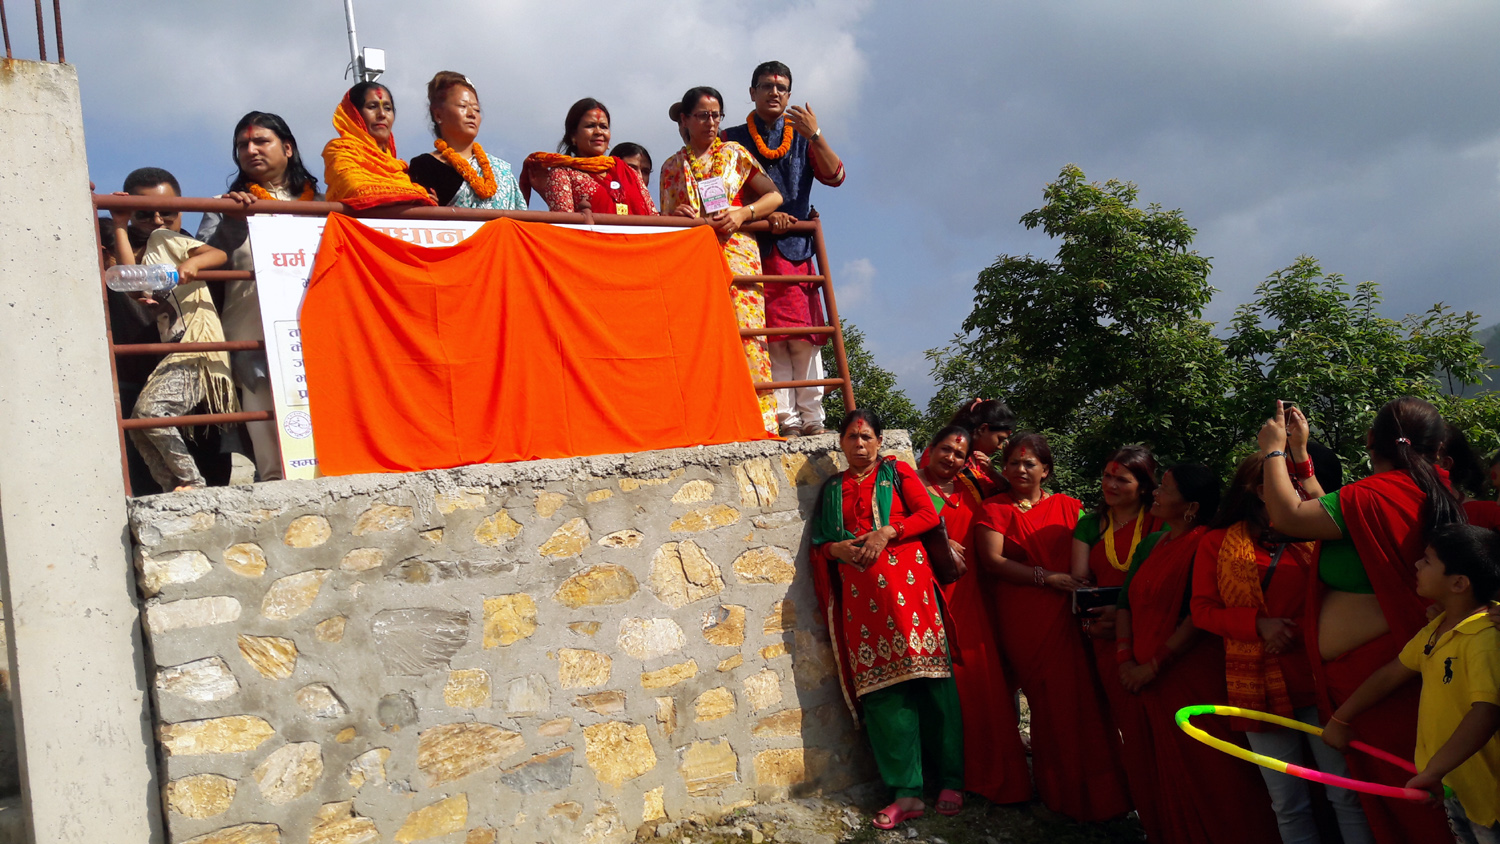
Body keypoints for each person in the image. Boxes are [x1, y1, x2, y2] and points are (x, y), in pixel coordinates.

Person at [1259, 397, 1459, 843]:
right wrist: (1299, 456)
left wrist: (1272, 450)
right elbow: (1335, 512)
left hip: (1384, 678)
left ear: (1371, 442)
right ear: (1437, 445)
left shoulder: (1378, 494)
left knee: (1410, 801)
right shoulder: (1422, 489)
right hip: (1379, 674)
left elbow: (1288, 516)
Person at [1192, 454, 1375, 844]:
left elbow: (1341, 595)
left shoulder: (1317, 533)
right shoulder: (1217, 541)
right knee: (1287, 802)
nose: (1291, 489)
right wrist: (1259, 626)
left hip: (1318, 676)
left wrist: (1295, 629)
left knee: (1345, 792)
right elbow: (1202, 611)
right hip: (1255, 685)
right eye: (1281, 481)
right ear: (1260, 491)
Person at [810, 410, 962, 829]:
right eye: (851, 438)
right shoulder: (833, 489)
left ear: (880, 441)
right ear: (840, 443)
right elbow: (822, 542)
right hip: (862, 603)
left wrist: (887, 532)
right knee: (883, 694)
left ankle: (951, 779)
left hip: (911, 594)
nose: (859, 446)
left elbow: (929, 517)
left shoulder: (898, 473)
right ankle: (906, 791)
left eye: (866, 438)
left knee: (933, 686)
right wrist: (834, 551)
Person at [1115, 463, 1281, 844]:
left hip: (1189, 675)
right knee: (1163, 773)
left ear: (1191, 506)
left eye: (1165, 489)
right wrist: (1126, 659)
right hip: (1145, 676)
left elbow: (1198, 613)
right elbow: (1127, 602)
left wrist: (1154, 665)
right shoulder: (1156, 543)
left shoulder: (1209, 542)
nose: (1154, 493)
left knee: (1213, 777)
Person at [973, 432, 1131, 822]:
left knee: (1087, 699)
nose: (1021, 469)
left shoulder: (1069, 507)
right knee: (1047, 701)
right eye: (1013, 462)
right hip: (1025, 612)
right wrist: (1046, 578)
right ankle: (1061, 792)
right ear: (1004, 467)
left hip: (1070, 611)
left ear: (1047, 470)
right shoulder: (993, 509)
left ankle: (1105, 796)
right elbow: (993, 562)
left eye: (1030, 463)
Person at [1323, 524, 1500, 844]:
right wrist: (1341, 718)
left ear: (1459, 583)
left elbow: (1485, 713)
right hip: (1454, 785)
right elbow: (1391, 674)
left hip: (1488, 792)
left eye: (1428, 561)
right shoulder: (1437, 628)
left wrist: (1432, 771)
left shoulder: (1484, 638)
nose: (1417, 565)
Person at [197, 111, 324, 482]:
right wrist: (232, 222)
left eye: (260, 141)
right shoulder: (225, 206)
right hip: (253, 342)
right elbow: (202, 265)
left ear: (287, 148)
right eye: (242, 145)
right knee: (271, 452)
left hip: (315, 336)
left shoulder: (322, 203)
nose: (250, 150)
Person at [722, 61, 846, 437]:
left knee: (804, 339)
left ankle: (812, 420)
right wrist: (762, 215)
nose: (774, 92)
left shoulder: (804, 136)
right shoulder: (731, 137)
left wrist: (817, 134)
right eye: (766, 86)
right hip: (749, 247)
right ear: (752, 93)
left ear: (790, 95)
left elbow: (836, 176)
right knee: (767, 339)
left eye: (781, 87)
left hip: (796, 249)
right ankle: (784, 420)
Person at [917, 425, 1033, 806]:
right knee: (942, 691)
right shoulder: (908, 488)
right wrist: (935, 536)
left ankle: (993, 777)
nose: (950, 458)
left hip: (972, 597)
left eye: (959, 455)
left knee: (981, 686)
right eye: (945, 450)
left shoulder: (973, 489)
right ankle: (948, 776)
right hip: (927, 596)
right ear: (931, 449)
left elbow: (1010, 502)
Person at [661, 86, 785, 435]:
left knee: (748, 334)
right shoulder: (671, 167)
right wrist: (676, 216)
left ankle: (763, 422)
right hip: (692, 258)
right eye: (702, 115)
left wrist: (744, 212)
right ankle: (710, 421)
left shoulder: (735, 153)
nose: (710, 122)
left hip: (739, 253)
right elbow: (664, 217)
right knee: (700, 337)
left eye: (716, 115)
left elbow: (774, 195)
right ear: (684, 120)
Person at [108, 168, 233, 492]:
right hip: (170, 357)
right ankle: (172, 487)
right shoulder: (153, 252)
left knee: (149, 415)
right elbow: (131, 278)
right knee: (139, 424)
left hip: (196, 348)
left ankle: (191, 483)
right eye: (145, 213)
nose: (159, 220)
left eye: (168, 212)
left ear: (181, 208)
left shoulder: (169, 240)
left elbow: (218, 253)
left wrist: (193, 264)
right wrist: (119, 223)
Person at [1069, 444, 1165, 839]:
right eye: (1107, 475)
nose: (1109, 484)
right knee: (1130, 729)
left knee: (1160, 730)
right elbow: (1079, 583)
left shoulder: (1160, 521)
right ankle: (1149, 816)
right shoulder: (1091, 525)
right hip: (1105, 639)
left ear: (1143, 487)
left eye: (1121, 479)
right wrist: (1095, 619)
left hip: (1155, 637)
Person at [408, 71, 525, 211]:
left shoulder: (501, 170)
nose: (471, 114)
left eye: (476, 109)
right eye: (463, 106)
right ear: (438, 114)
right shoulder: (424, 166)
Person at [519, 98, 656, 215]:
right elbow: (566, 225)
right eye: (590, 126)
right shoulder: (563, 174)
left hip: (637, 244)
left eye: (604, 127)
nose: (598, 132)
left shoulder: (628, 171)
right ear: (573, 135)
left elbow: (653, 216)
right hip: (591, 244)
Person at [322, 81, 437, 209]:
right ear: (353, 114)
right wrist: (415, 195)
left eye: (388, 108)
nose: (382, 114)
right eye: (372, 107)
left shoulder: (399, 168)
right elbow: (355, 188)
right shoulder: (340, 149)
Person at [941, 398, 1016, 498]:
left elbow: (1010, 494)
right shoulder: (942, 457)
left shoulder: (980, 463)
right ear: (982, 429)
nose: (999, 447)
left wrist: (993, 473)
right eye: (999, 439)